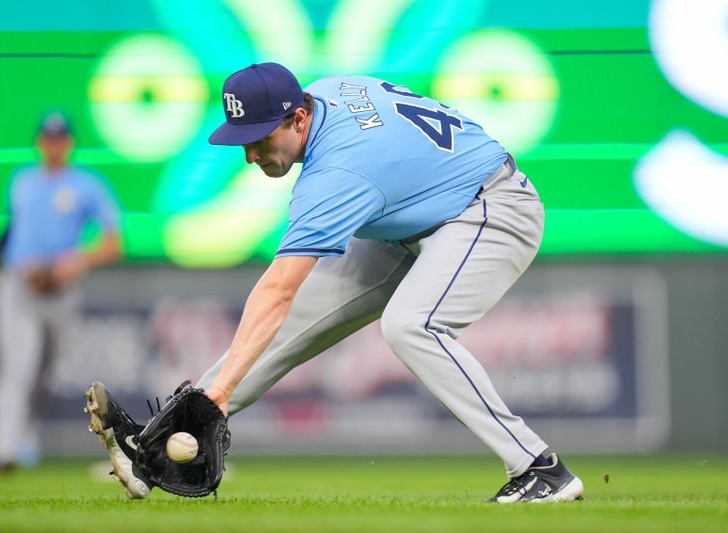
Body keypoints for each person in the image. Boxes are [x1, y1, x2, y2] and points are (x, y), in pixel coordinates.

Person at [88, 63, 583, 503]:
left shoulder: (337, 172)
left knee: (411, 326)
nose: (251, 155)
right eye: (245, 140)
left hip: (491, 209)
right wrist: (217, 394)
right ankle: (152, 451)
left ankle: (540, 468)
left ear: (298, 119)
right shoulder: (324, 92)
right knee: (298, 318)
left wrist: (221, 395)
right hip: (416, 216)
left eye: (261, 138)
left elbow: (275, 291)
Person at [0, 112, 123, 472]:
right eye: (48, 138)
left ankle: (25, 432)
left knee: (43, 374)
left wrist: (77, 261)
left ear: (68, 143)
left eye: (59, 138)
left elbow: (114, 242)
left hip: (60, 291)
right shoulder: (23, 181)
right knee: (15, 368)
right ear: (40, 142)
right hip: (19, 284)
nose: (53, 145)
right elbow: (11, 227)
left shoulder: (86, 185)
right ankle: (3, 450)